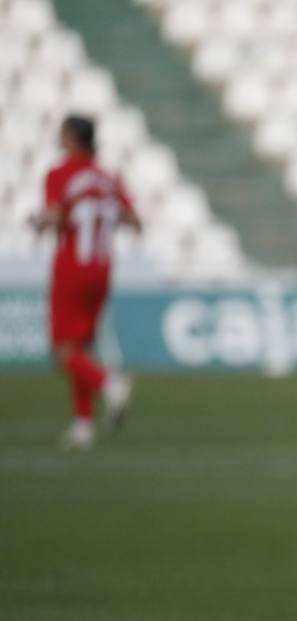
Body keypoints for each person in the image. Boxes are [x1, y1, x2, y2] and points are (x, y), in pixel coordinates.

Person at [29, 115, 139, 451]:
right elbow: (134, 221)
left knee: (63, 353)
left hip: (72, 268)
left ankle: (110, 384)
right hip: (103, 268)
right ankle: (83, 426)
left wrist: (38, 222)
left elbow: (55, 215)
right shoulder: (108, 178)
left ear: (73, 139)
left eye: (63, 134)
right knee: (79, 348)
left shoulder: (60, 174)